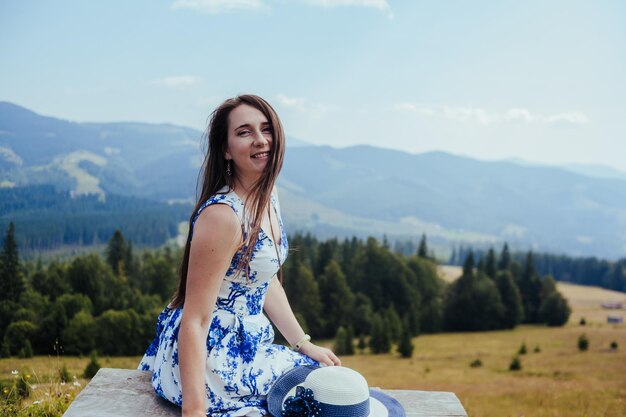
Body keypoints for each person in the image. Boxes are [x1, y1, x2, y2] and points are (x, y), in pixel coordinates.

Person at [138, 94, 341, 417]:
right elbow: (195, 319)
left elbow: (263, 278)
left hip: (248, 345)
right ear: (226, 150)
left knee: (329, 386)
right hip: (211, 357)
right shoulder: (223, 216)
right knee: (318, 397)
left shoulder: (268, 195)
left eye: (266, 129)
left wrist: (303, 343)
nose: (261, 140)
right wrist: (195, 410)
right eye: (244, 132)